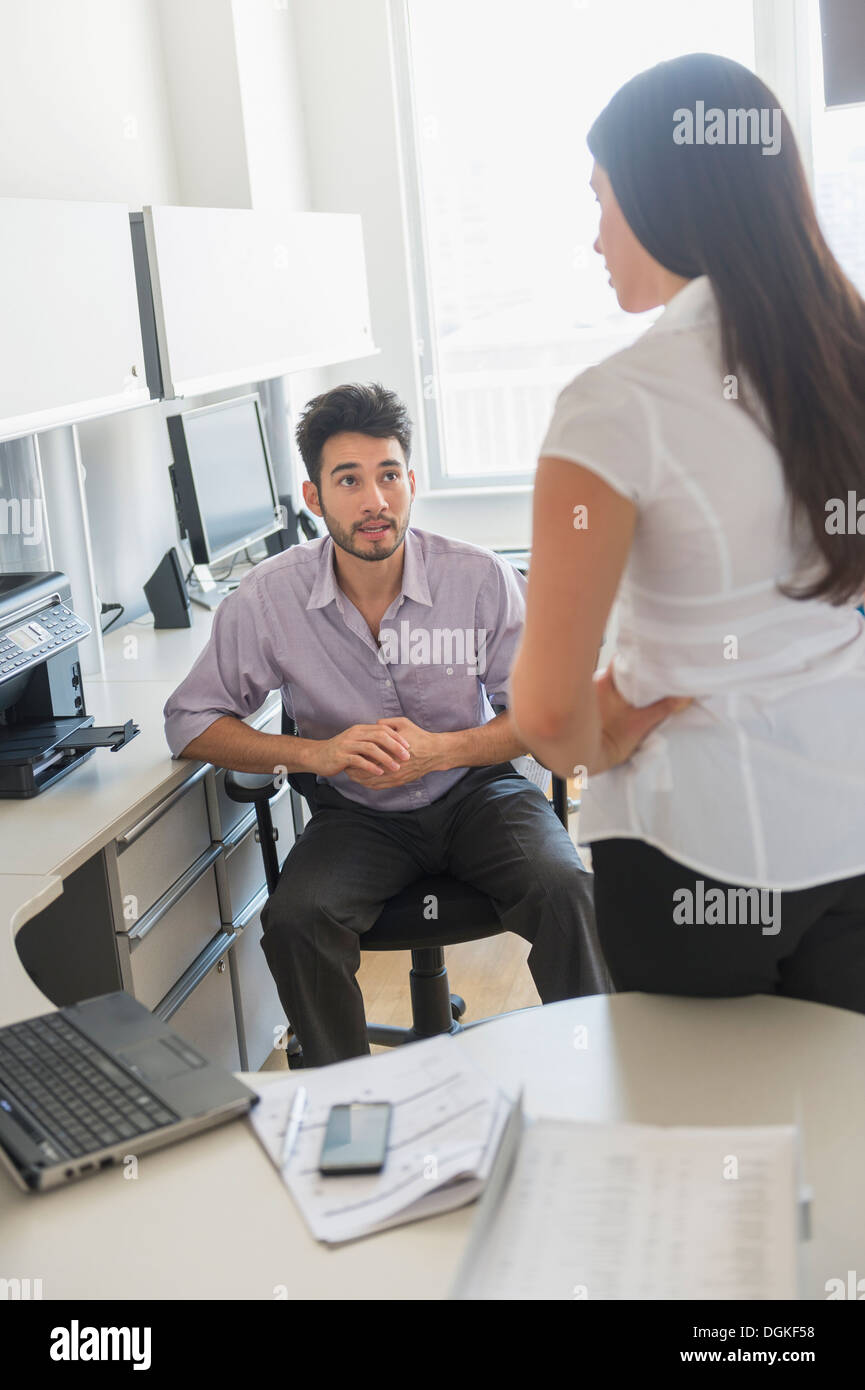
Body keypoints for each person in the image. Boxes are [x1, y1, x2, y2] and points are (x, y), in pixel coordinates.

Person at [509, 52, 865, 1012]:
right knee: (844, 1130)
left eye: (601, 200)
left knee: (705, 1142)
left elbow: (546, 718)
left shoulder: (616, 404)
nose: (594, 238)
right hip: (850, 828)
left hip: (694, 852)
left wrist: (603, 731)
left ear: (666, 194)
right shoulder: (848, 354)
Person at [163, 384, 655, 1066]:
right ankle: (346, 1101)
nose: (375, 501)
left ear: (411, 482)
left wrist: (443, 751)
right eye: (349, 481)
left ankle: (603, 1071)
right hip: (357, 817)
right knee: (295, 921)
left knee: (566, 889)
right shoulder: (268, 598)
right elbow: (189, 722)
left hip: (478, 794)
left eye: (388, 476)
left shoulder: (477, 578)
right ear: (314, 499)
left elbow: (549, 719)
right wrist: (319, 753)